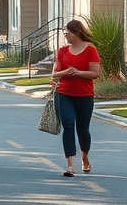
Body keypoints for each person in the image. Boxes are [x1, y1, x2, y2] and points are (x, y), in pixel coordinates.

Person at [50, 18, 100, 177]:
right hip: (64, 93)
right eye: (65, 32)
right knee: (68, 125)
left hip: (84, 95)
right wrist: (65, 72)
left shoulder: (90, 50)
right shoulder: (62, 51)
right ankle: (70, 165)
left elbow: (95, 73)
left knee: (83, 129)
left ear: (78, 32)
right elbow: (54, 74)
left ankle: (85, 157)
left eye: (69, 32)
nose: (66, 35)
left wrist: (78, 73)